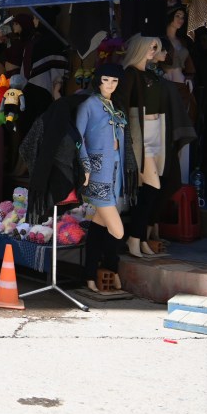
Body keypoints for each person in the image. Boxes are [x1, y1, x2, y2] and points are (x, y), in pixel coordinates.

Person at [116, 34, 195, 257]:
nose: (154, 50)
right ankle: (134, 238)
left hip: (156, 131)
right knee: (151, 187)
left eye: (156, 47)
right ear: (141, 48)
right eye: (152, 47)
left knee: (151, 188)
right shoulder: (130, 73)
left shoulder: (152, 75)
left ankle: (139, 238)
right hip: (138, 133)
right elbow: (121, 105)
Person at [76, 64, 129, 292]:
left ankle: (92, 274)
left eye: (114, 81)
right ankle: (110, 266)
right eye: (106, 79)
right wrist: (85, 166)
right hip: (97, 174)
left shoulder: (115, 105)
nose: (110, 84)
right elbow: (77, 137)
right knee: (117, 230)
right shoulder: (89, 104)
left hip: (115, 172)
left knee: (99, 227)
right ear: (98, 80)